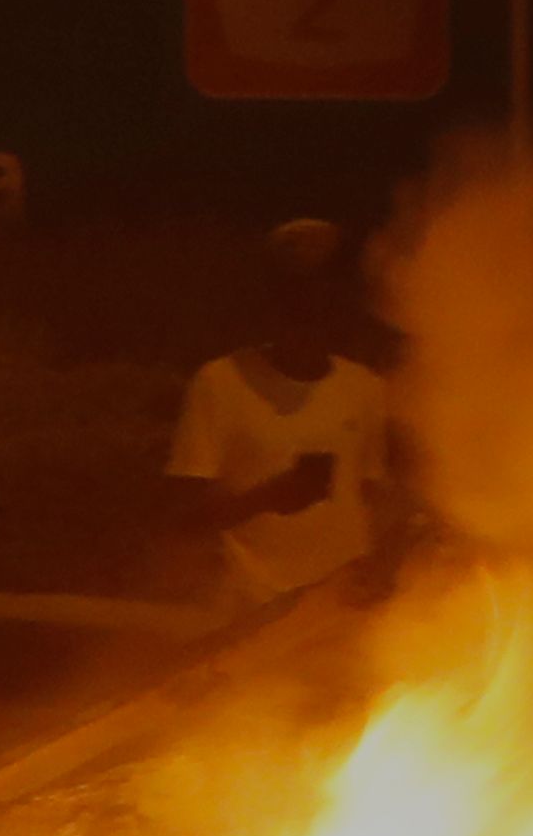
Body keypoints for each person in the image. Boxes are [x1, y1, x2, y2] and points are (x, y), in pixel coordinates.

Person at [161, 218, 402, 608]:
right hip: (250, 607)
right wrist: (265, 498)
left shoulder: (365, 388)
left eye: (322, 304)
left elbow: (371, 498)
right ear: (271, 306)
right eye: (294, 304)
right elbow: (184, 517)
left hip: (340, 610)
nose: (308, 320)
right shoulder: (220, 383)